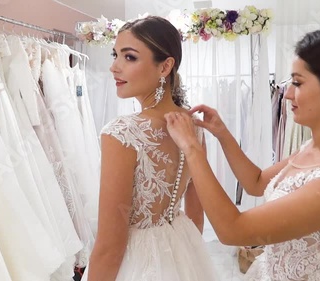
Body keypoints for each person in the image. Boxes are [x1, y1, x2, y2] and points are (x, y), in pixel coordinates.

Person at [165, 21, 320, 280]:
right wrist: (223, 134)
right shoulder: (314, 148)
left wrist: (192, 149)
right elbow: (257, 182)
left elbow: (232, 230)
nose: (287, 95)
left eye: (298, 83)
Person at [83, 16, 217, 281]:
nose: (114, 67)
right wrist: (186, 261)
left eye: (129, 57)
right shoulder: (193, 126)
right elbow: (196, 216)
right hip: (181, 249)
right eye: (115, 55)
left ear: (165, 66)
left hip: (138, 263)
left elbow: (110, 246)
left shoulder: (121, 133)